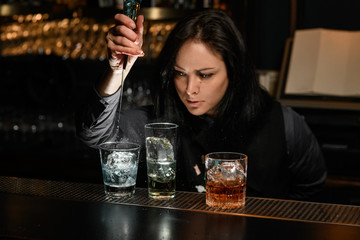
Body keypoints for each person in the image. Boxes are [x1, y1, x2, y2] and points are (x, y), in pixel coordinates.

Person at [75, 9, 327, 201]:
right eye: (179, 73)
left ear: (234, 71)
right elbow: (95, 136)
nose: (189, 88)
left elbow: (312, 192)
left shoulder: (284, 124)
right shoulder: (157, 123)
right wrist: (116, 72)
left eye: (205, 75)